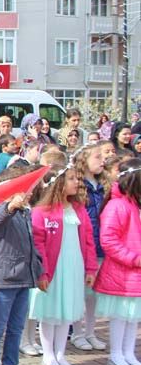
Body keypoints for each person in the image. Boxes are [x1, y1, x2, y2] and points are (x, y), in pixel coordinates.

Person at [29, 167, 98, 365]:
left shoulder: (78, 209)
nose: (77, 183)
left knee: (66, 309)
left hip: (73, 265)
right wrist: (43, 272)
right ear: (58, 183)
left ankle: (61, 354)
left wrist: (90, 268)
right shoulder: (42, 211)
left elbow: (88, 240)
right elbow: (38, 243)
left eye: (77, 179)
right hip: (53, 267)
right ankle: (48, 354)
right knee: (51, 310)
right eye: (71, 179)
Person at [0, 166, 42, 365]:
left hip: (24, 277)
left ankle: (10, 364)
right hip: (4, 278)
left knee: (16, 325)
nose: (29, 191)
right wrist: (10, 206)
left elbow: (30, 244)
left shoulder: (25, 211)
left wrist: (38, 269)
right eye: (25, 186)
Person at [94, 159, 141, 365]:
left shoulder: (133, 204)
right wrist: (134, 259)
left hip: (134, 272)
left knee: (133, 316)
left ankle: (129, 352)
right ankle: (116, 354)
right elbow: (109, 240)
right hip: (123, 271)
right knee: (121, 316)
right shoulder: (117, 205)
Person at [74, 143, 110, 352]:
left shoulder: (104, 185)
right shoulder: (79, 187)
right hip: (81, 246)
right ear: (84, 160)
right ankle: (77, 333)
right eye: (97, 157)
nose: (102, 160)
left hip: (100, 246)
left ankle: (90, 332)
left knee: (93, 295)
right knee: (80, 292)